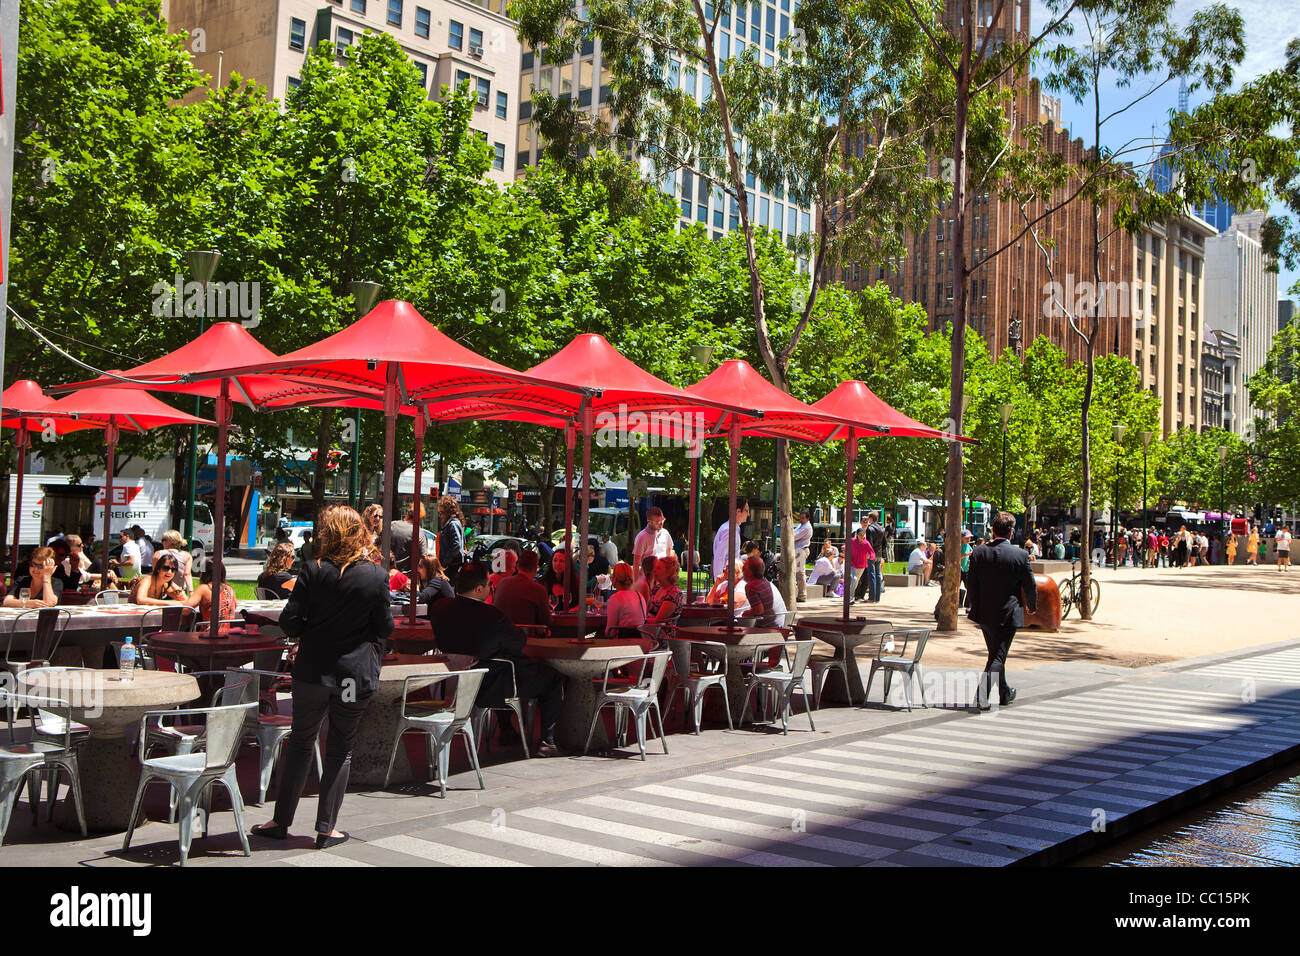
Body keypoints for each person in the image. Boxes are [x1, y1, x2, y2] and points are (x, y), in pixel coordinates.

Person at [252, 505, 394, 848]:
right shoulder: (376, 575)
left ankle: (280, 821)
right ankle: (326, 827)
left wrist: (311, 629)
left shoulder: (313, 570)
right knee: (340, 747)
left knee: (301, 742)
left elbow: (289, 621)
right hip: (351, 676)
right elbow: (385, 627)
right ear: (359, 532)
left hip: (313, 671)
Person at [430, 562, 564, 756]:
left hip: (450, 684)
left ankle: (507, 729)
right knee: (551, 678)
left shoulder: (440, 608)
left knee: (505, 667)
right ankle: (547, 741)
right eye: (488, 585)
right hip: (490, 685)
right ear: (478, 589)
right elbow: (518, 642)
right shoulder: (492, 616)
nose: (490, 588)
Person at [965, 511, 1037, 709]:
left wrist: (974, 603)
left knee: (996, 653)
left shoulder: (979, 552)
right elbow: (1029, 584)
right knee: (997, 656)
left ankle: (1004, 692)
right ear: (1011, 532)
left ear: (993, 529)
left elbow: (972, 583)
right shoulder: (1021, 555)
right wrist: (1032, 605)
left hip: (985, 613)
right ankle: (981, 696)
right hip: (1008, 612)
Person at [491, 550, 551, 627]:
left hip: (500, 633)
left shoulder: (502, 583)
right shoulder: (538, 589)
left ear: (518, 566)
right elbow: (547, 621)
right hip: (526, 636)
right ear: (536, 568)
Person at [185, 562, 238, 631]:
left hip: (208, 636)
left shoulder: (204, 588)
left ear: (204, 573)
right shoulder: (229, 589)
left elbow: (185, 610)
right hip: (227, 635)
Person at [632, 506, 673, 583]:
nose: (661, 524)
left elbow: (669, 555)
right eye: (657, 522)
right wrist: (636, 584)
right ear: (649, 522)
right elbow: (636, 563)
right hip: (647, 579)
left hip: (662, 579)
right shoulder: (642, 537)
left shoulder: (665, 533)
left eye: (662, 521)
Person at [604, 562, 647, 636]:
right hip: (641, 641)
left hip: (624, 643)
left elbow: (611, 632)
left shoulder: (615, 599)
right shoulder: (639, 596)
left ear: (615, 578)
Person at [645, 554, 684, 631]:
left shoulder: (674, 593)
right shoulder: (657, 588)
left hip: (662, 634)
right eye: (655, 567)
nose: (654, 570)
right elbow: (646, 611)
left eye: (658, 568)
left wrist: (640, 621)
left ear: (668, 573)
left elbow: (659, 620)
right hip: (648, 629)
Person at [711, 499, 749, 577]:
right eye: (746, 510)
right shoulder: (729, 530)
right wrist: (718, 583)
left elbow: (732, 556)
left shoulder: (734, 528)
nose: (748, 514)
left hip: (730, 578)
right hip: (727, 579)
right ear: (738, 511)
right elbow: (720, 557)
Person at [436, 495, 466, 582]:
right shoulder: (452, 523)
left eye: (441, 513)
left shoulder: (453, 524)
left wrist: (445, 564)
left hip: (451, 567)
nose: (440, 516)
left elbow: (456, 545)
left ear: (448, 511)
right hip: (451, 566)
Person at [154, 530, 193, 595]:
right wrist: (191, 592)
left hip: (162, 591)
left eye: (163, 540)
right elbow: (187, 574)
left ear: (169, 541)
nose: (162, 542)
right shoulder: (187, 555)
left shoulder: (158, 554)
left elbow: (155, 575)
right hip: (180, 591)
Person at [741, 554, 777, 624]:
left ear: (750, 571)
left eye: (743, 569)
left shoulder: (751, 586)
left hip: (764, 628)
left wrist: (745, 613)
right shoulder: (765, 582)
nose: (742, 572)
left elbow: (758, 611)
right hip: (775, 624)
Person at [849, 527, 875, 603]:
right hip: (852, 564)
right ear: (857, 535)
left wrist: (870, 556)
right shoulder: (852, 541)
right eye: (860, 535)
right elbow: (845, 546)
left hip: (861, 566)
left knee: (856, 581)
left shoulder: (866, 543)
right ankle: (850, 597)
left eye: (863, 535)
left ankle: (850, 595)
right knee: (854, 579)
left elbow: (873, 554)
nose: (862, 536)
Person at [793, 510, 813, 602]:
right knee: (798, 573)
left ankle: (802, 595)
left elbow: (794, 536)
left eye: (803, 518)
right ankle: (801, 595)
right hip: (799, 550)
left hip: (801, 550)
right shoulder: (802, 525)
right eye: (800, 517)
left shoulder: (806, 527)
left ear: (807, 518)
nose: (801, 519)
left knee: (800, 573)